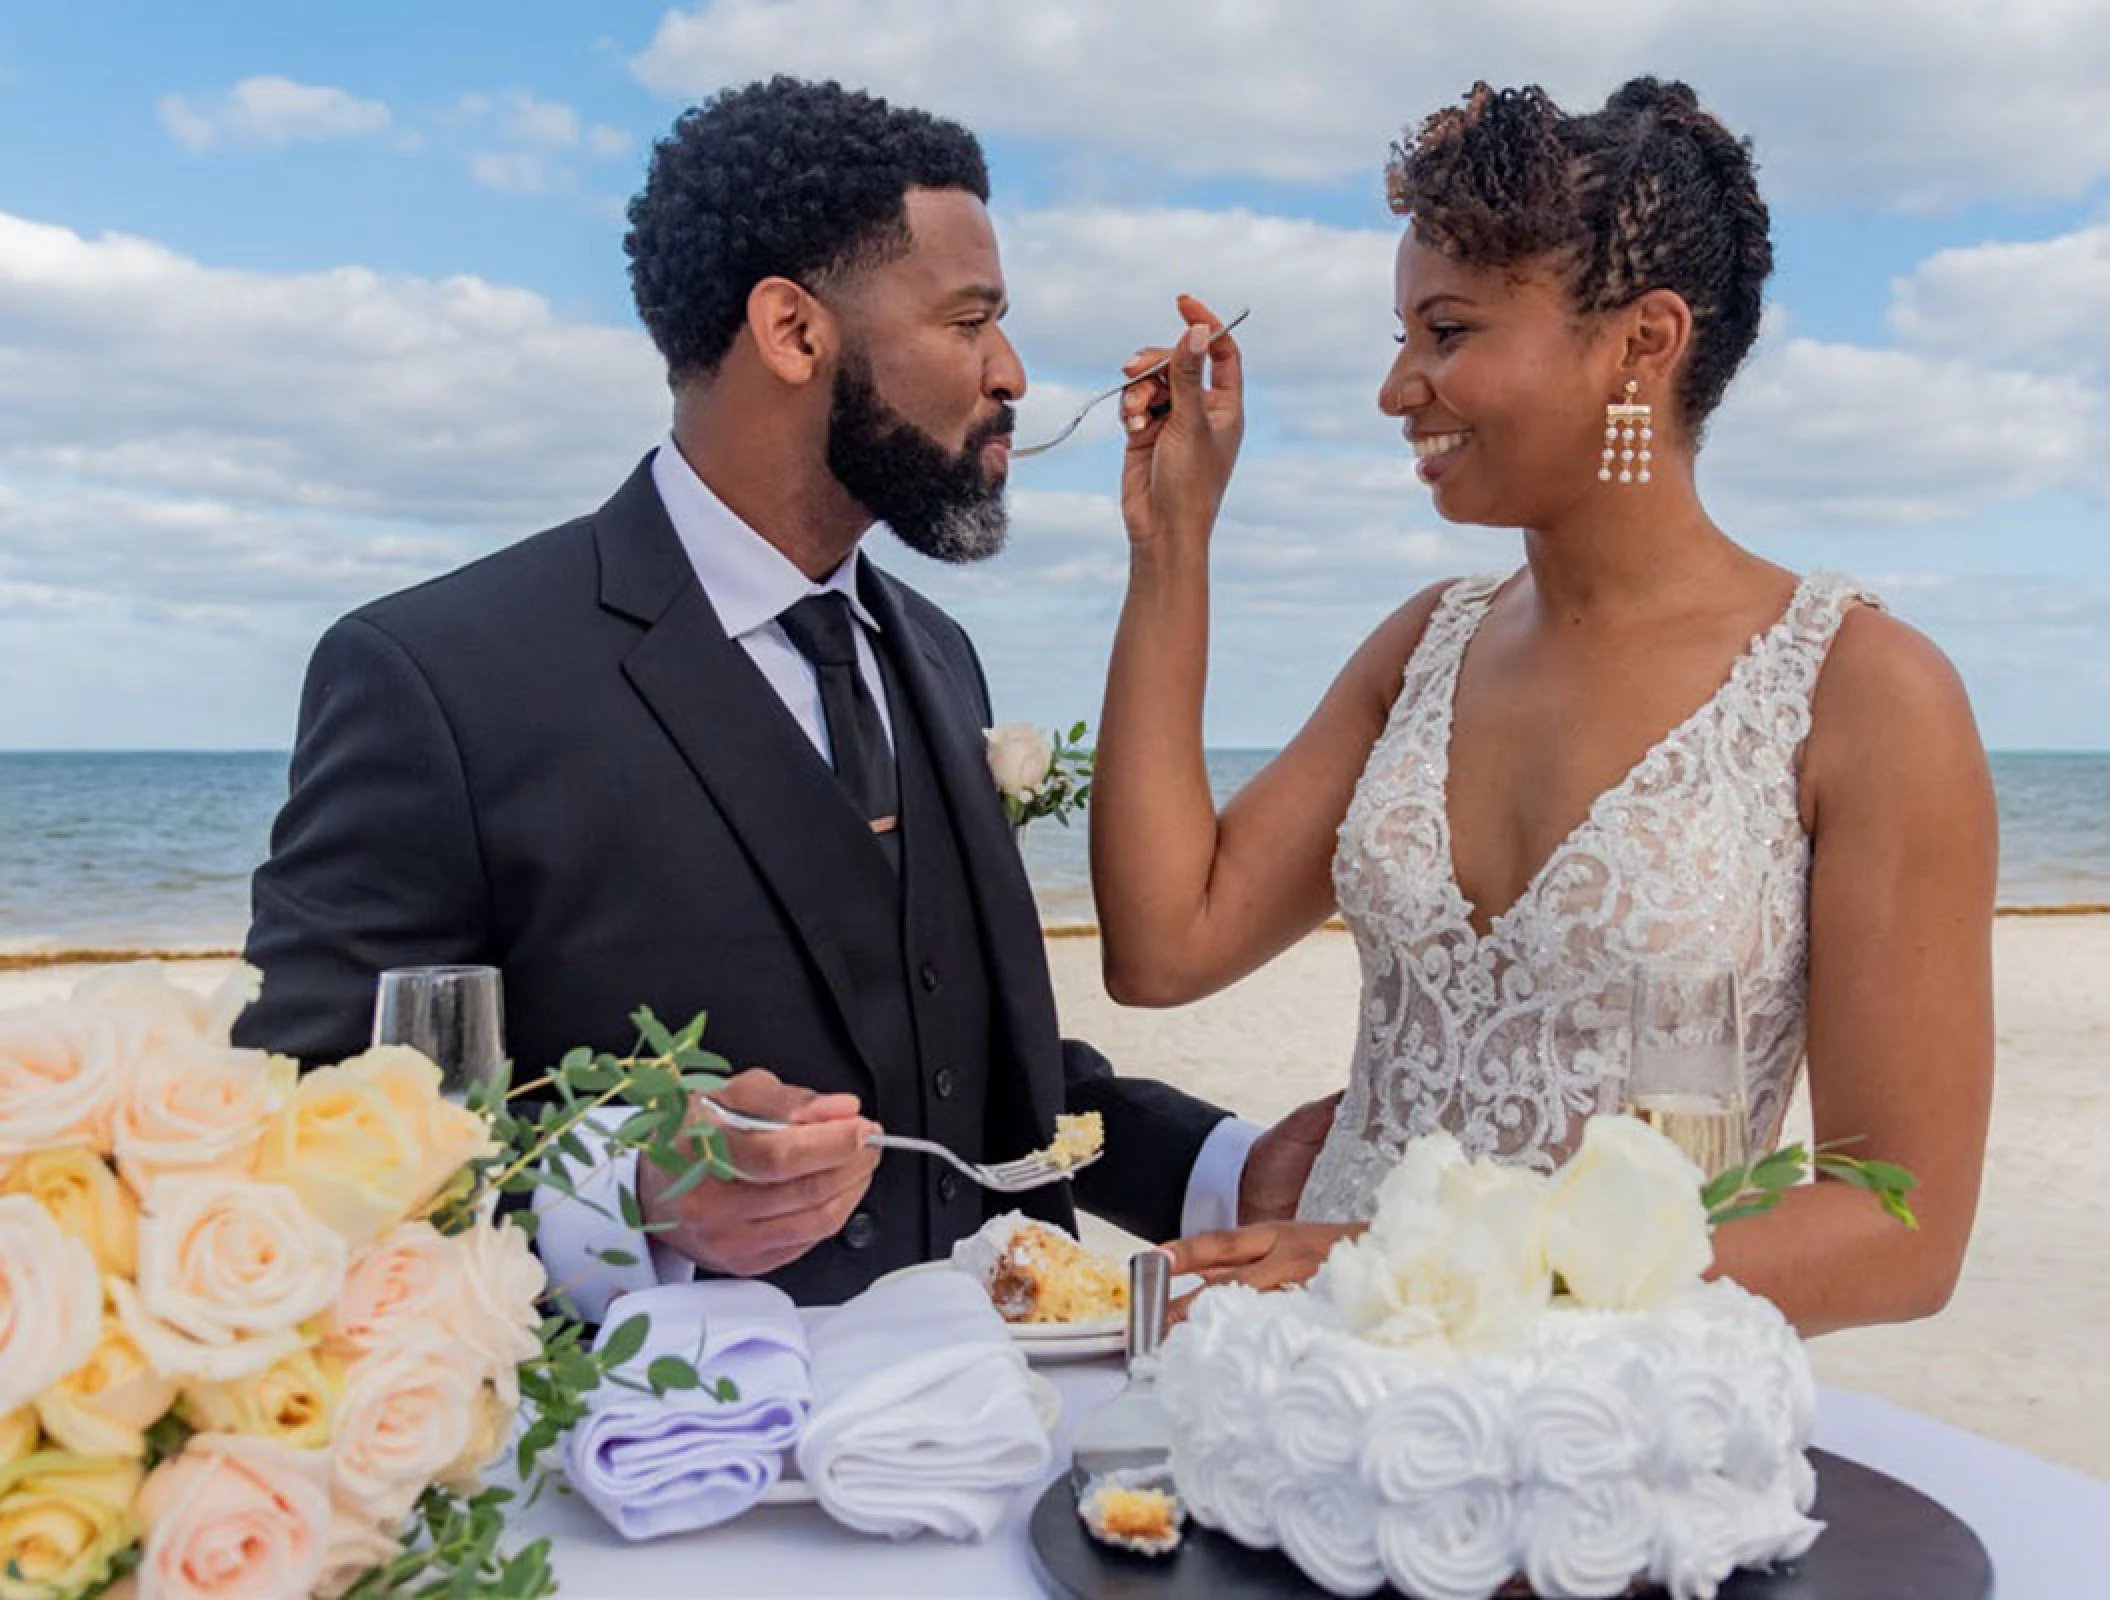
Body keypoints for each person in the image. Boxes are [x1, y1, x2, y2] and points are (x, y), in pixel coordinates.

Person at [235, 77, 1330, 1314]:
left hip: (988, 1441)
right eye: (969, 321)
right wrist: (626, 1192)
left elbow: (956, 1057)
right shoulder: (439, 676)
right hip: (665, 1478)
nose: (1013, 372)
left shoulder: (932, 650)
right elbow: (297, 1126)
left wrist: (1223, 1169)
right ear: (793, 332)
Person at [1092, 79, 1996, 1335]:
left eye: (1448, 332)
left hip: (1618, 1443)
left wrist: (1414, 1271)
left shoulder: (1865, 694)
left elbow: (1898, 1230)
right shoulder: (1421, 648)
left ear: (1642, 341)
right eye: (1402, 334)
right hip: (1316, 1380)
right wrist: (1171, 545)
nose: (1398, 387)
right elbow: (1163, 945)